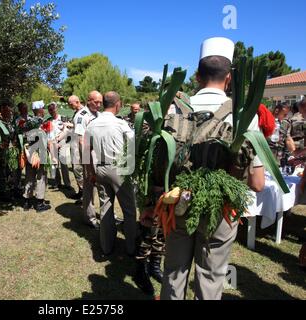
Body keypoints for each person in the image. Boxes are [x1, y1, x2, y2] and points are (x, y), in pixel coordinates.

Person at [160, 37, 265, 300]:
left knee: (174, 271)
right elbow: (257, 183)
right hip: (221, 209)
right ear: (229, 79)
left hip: (177, 203)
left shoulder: (176, 109)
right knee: (211, 275)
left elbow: (159, 165)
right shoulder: (243, 117)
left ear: (197, 76)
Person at [85, 91, 137, 256]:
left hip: (100, 167)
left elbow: (86, 151)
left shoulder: (92, 124)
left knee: (106, 205)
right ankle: (131, 247)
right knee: (129, 209)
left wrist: (91, 172)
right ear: (118, 104)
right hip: (119, 168)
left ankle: (106, 246)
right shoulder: (121, 124)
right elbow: (131, 148)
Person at [74, 91, 102, 229]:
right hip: (89, 155)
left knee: (102, 185)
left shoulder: (99, 114)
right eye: (96, 102)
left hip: (100, 154)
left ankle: (106, 214)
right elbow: (80, 140)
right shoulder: (81, 116)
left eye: (101, 102)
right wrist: (87, 164)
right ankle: (89, 217)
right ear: (88, 100)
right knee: (89, 186)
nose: (99, 105)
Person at [22, 101, 51, 212]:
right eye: (42, 108)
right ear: (39, 110)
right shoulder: (38, 122)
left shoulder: (27, 121)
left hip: (29, 152)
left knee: (29, 176)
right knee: (41, 177)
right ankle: (39, 203)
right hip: (39, 153)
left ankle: (26, 201)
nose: (44, 110)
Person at [46, 102, 73, 192]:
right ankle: (57, 183)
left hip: (62, 141)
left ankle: (67, 184)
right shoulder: (48, 120)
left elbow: (69, 130)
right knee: (54, 163)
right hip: (52, 142)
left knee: (63, 162)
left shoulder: (63, 118)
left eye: (53, 109)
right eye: (50, 110)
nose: (51, 111)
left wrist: (60, 139)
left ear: (56, 109)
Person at [67, 95, 85, 201]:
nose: (69, 106)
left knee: (78, 168)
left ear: (77, 102)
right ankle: (81, 191)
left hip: (80, 143)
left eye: (71, 104)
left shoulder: (84, 112)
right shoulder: (76, 112)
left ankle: (84, 193)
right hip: (74, 143)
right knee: (75, 168)